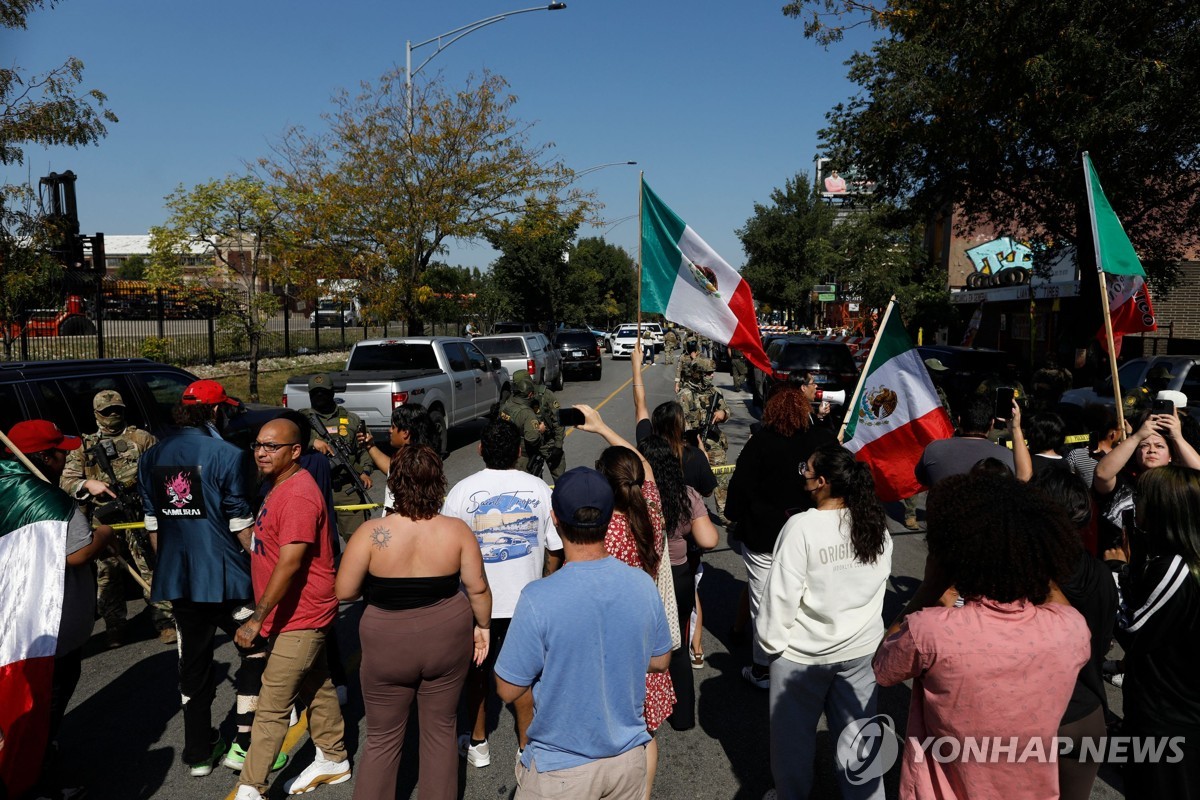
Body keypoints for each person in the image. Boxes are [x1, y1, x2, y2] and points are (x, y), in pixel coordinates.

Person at [873, 473, 1090, 799]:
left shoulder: (930, 630)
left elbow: (882, 666)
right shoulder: (1070, 629)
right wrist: (1035, 558)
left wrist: (930, 586)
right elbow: (1056, 599)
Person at [494, 467, 672, 800]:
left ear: (554, 519)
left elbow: (506, 688)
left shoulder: (538, 597)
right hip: (627, 763)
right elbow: (660, 660)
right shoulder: (642, 585)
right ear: (610, 518)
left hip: (560, 769)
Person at [336, 444, 491, 800]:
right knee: (440, 730)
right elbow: (478, 588)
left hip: (387, 637)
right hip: (446, 632)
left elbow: (344, 591)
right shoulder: (457, 531)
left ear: (395, 483)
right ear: (438, 483)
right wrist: (481, 628)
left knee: (382, 739)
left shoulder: (372, 533)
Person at [137, 379, 266, 778]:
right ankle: (244, 743)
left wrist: (174, 565)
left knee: (192, 662)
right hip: (227, 576)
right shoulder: (228, 453)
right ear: (215, 411)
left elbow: (153, 525)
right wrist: (267, 563)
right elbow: (240, 522)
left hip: (180, 578)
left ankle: (197, 752)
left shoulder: (152, 455)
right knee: (256, 649)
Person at [757, 444, 892, 800]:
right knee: (860, 736)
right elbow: (878, 582)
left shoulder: (802, 527)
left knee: (792, 743)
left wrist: (772, 648)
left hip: (804, 655)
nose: (802, 472)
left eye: (807, 468)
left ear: (821, 482)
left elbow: (781, 596)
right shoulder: (875, 523)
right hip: (862, 649)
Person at [233, 419, 350, 800]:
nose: (262, 452)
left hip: (302, 615)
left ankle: (251, 786)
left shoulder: (298, 494)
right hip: (291, 612)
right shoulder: (277, 485)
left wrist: (257, 617)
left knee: (271, 705)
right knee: (316, 685)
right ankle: (334, 757)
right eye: (258, 445)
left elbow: (291, 563)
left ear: (295, 451)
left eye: (272, 446)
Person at [1, 421, 114, 800]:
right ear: (43, 457)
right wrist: (105, 533)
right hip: (46, 630)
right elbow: (77, 554)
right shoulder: (49, 503)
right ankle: (35, 781)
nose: (66, 457)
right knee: (41, 708)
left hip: (8, 623)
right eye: (59, 452)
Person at [441, 419, 562, 767]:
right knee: (526, 677)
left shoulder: (460, 492)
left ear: (480, 450)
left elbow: (450, 555)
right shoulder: (540, 488)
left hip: (476, 606)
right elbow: (555, 548)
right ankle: (527, 745)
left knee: (476, 676)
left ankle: (478, 743)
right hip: (526, 604)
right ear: (520, 451)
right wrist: (546, 579)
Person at [580, 406, 676, 799]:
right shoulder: (651, 509)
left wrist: (599, 426)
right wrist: (605, 428)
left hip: (607, 638)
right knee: (644, 732)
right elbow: (644, 468)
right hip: (646, 632)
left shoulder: (602, 527)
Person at [726, 385, 837, 689]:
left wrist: (735, 515)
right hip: (812, 535)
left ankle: (764, 667)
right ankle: (804, 657)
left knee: (764, 601)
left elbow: (739, 489)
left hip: (765, 536)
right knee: (806, 597)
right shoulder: (822, 441)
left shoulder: (760, 442)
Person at [1104, 466, 1200, 798]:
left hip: (1168, 718)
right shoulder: (1172, 557)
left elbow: (1132, 628)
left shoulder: (1175, 566)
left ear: (1162, 509)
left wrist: (1115, 572)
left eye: (1141, 498)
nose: (1134, 504)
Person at [1026, 468, 1117, 800]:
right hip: (1088, 716)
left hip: (1028, 718)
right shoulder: (1104, 577)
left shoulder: (1019, 578)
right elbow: (1104, 643)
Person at [59, 389, 173, 647]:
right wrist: (88, 483)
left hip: (138, 512)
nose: (113, 416)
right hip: (105, 518)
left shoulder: (141, 439)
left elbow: (163, 471)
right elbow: (66, 480)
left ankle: (165, 620)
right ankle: (115, 627)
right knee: (108, 574)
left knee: (150, 566)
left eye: (117, 410)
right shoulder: (84, 446)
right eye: (107, 412)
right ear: (96, 414)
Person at [638, 435, 718, 731]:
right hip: (679, 577)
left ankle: (642, 711)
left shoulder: (635, 497)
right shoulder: (686, 495)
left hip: (642, 578)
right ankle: (683, 716)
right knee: (679, 646)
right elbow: (709, 539)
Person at [302, 373, 377, 541]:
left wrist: (365, 471)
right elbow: (285, 442)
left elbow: (363, 449)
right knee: (315, 541)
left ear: (333, 393)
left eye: (323, 392)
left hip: (345, 488)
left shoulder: (351, 420)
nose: (319, 396)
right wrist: (312, 442)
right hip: (312, 489)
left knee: (358, 539)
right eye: (315, 393)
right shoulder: (300, 421)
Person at [914, 395, 1013, 487]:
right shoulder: (1007, 456)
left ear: (959, 420)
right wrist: (1015, 428)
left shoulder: (933, 449)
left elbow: (921, 479)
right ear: (992, 424)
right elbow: (1024, 477)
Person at [361, 403, 439, 514]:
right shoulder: (423, 460)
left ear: (406, 433)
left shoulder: (408, 467)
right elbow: (391, 468)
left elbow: (393, 509)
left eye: (393, 427)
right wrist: (370, 446)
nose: (390, 431)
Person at [679, 358, 731, 518]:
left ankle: (724, 515)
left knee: (721, 481)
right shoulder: (685, 394)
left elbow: (726, 410)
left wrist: (723, 414)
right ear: (698, 374)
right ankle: (694, 516)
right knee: (694, 483)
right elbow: (681, 422)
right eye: (708, 373)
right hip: (694, 444)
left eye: (712, 373)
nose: (712, 376)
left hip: (714, 443)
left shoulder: (715, 392)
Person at [498, 370, 545, 473]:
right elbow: (532, 439)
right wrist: (540, 430)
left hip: (506, 452)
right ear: (530, 394)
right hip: (523, 457)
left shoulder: (506, 405)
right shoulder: (527, 413)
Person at [533, 378, 567, 482]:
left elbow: (559, 420)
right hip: (531, 444)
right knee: (533, 480)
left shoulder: (545, 395)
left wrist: (558, 445)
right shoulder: (516, 400)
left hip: (549, 442)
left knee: (560, 479)